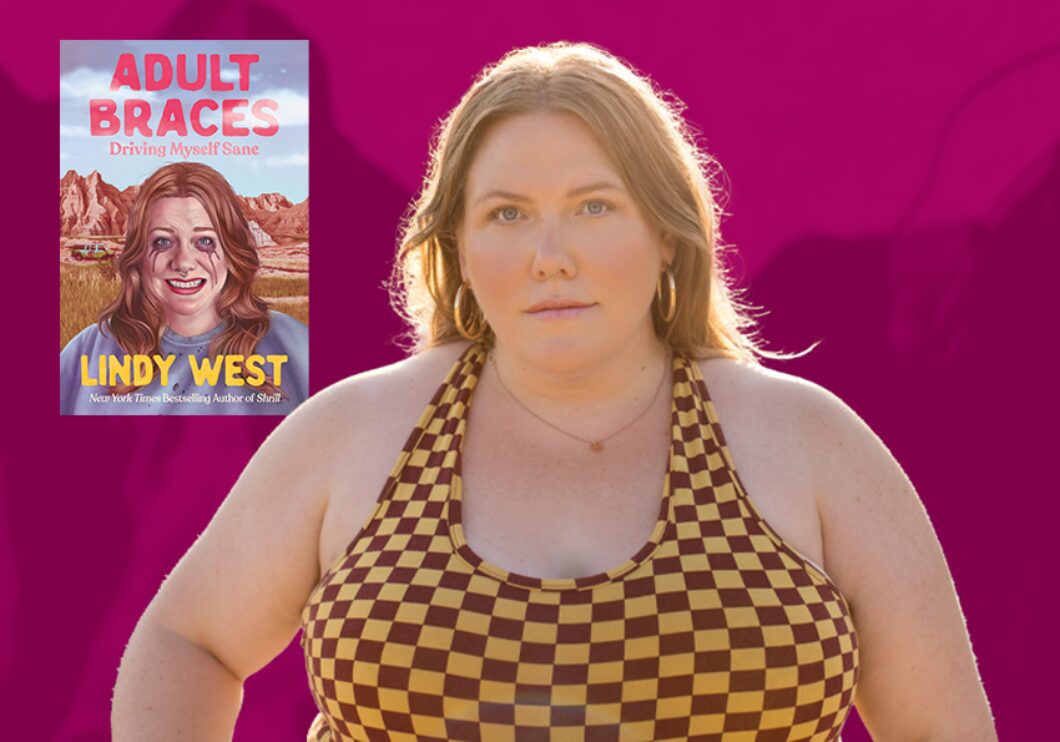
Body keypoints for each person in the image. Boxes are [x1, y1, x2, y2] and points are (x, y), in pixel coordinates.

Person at [112, 43, 995, 740]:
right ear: (456, 246)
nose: (550, 254)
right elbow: (187, 643)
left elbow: (939, 729)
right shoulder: (349, 433)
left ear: (667, 234)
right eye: (507, 214)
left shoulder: (813, 443)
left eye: (594, 205)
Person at [59, 162, 308, 415]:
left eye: (205, 241)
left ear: (232, 252)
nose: (184, 263)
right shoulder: (88, 351)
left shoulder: (294, 345)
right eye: (163, 241)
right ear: (139, 254)